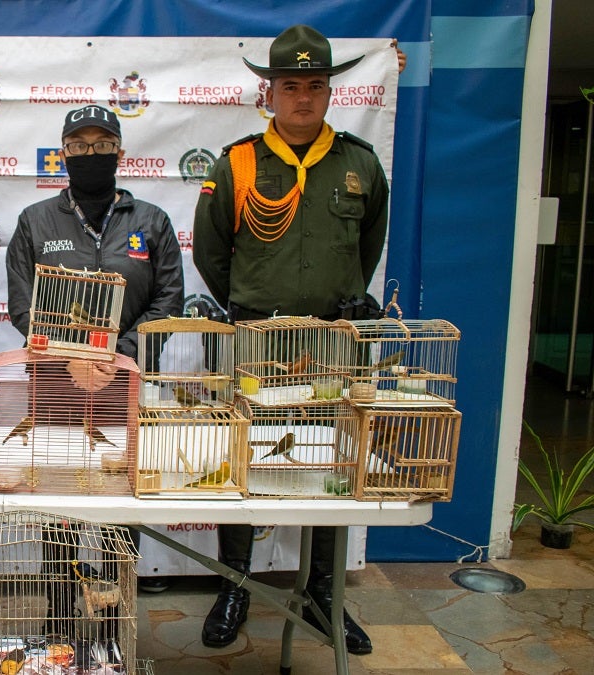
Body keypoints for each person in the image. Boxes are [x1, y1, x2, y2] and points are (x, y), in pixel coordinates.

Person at [193, 24, 395, 654]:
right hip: (256, 340)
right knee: (240, 461)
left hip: (336, 342)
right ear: (269, 92)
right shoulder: (239, 163)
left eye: (314, 85)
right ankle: (234, 585)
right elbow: (210, 252)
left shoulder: (360, 164)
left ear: (330, 90)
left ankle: (323, 591)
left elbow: (367, 249)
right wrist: (257, 302)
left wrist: (326, 306)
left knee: (332, 465)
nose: (303, 98)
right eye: (290, 86)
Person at [4, 104, 184, 593]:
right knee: (57, 509)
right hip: (54, 389)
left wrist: (116, 355)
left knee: (118, 510)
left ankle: (113, 627)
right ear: (62, 154)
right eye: (79, 146)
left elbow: (169, 301)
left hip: (121, 384)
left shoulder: (152, 221)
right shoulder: (34, 221)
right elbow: (22, 305)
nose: (91, 154)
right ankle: (58, 619)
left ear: (119, 153)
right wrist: (72, 358)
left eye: (102, 145)